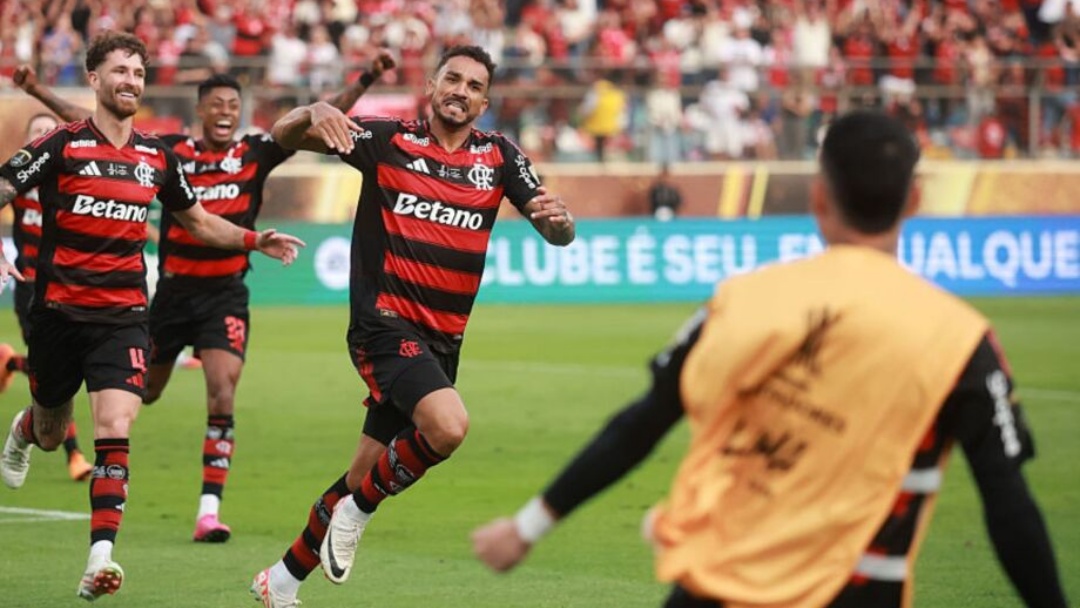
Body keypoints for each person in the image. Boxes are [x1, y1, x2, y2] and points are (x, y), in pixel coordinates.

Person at [472, 111, 1069, 608]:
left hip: (718, 586)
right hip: (858, 592)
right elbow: (1008, 503)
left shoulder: (743, 299)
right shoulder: (962, 339)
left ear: (818, 195)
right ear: (914, 200)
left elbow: (642, 423)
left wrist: (527, 528)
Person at [14, 50, 396, 543]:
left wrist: (365, 79)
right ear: (200, 109)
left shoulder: (255, 152)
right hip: (172, 296)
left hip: (225, 296)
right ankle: (41, 410)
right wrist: (37, 91)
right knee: (144, 393)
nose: (225, 112)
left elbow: (315, 125)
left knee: (222, 391)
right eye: (216, 104)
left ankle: (208, 512)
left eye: (233, 105)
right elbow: (90, 124)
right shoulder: (170, 150)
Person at [251, 44, 576, 608]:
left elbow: (553, 229)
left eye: (474, 86)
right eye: (453, 79)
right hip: (383, 324)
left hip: (442, 341)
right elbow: (282, 137)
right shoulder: (385, 139)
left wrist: (563, 225)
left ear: (484, 102)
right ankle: (358, 513)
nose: (461, 91)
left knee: (362, 472)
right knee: (448, 427)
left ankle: (280, 581)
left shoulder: (500, 156)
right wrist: (314, 111)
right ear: (431, 85)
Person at [0, 31, 303, 602]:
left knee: (115, 426)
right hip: (59, 314)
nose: (131, 81)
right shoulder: (62, 144)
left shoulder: (157, 156)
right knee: (51, 432)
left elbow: (199, 221)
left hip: (124, 317)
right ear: (95, 79)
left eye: (138, 73)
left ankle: (100, 558)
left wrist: (253, 239)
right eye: (120, 71)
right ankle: (24, 429)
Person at [0, 112, 93, 483]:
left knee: (66, 366)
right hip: (31, 289)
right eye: (36, 131)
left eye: (49, 131)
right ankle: (76, 454)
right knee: (55, 373)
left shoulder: (76, 181)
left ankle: (9, 362)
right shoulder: (18, 185)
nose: (43, 136)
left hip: (70, 288)